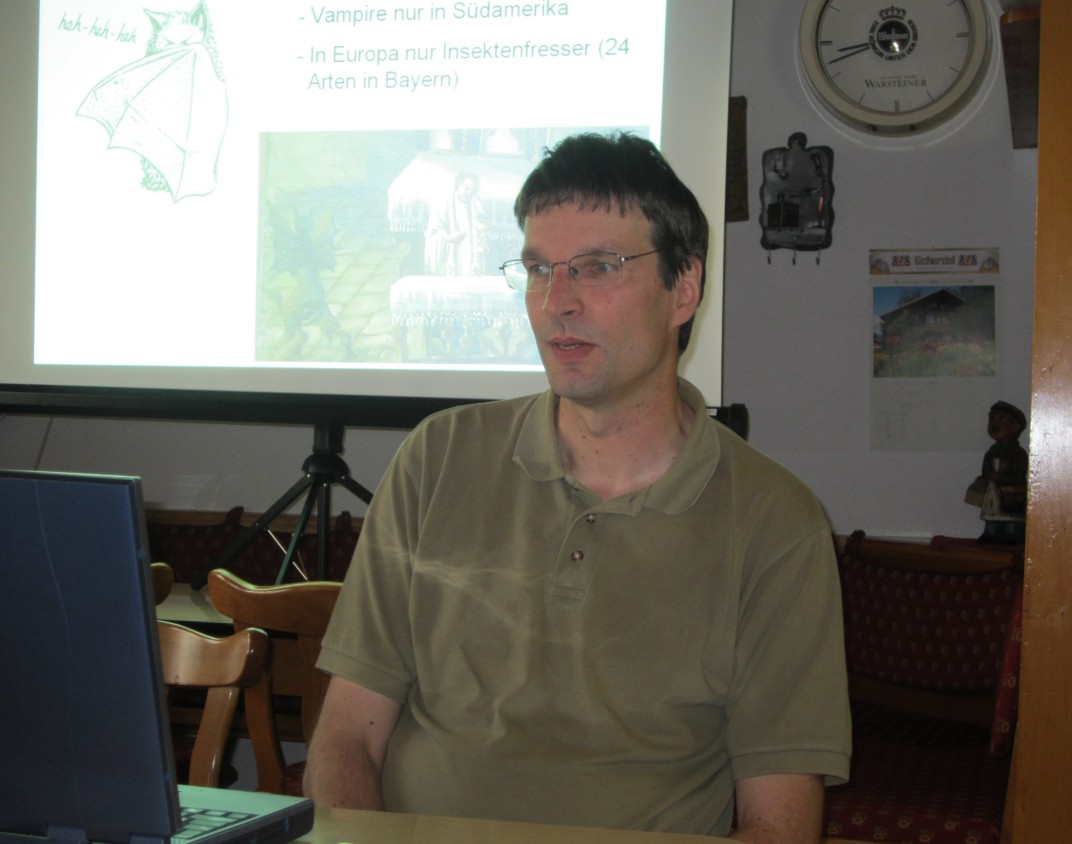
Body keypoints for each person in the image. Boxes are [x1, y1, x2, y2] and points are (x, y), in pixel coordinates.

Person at [305, 132, 851, 842]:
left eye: (597, 267)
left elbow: (779, 826)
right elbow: (348, 736)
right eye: (539, 269)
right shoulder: (438, 459)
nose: (556, 302)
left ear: (684, 289)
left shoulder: (776, 523)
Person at [967, 400, 1029, 544]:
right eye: (992, 419)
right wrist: (984, 479)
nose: (995, 423)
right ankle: (991, 532)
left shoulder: (1018, 453)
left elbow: (1020, 475)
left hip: (1011, 495)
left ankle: (1012, 534)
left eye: (1001, 419)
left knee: (1011, 519)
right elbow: (986, 471)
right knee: (992, 513)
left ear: (1014, 427)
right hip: (994, 492)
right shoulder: (992, 451)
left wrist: (1002, 477)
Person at [424, 171, 487, 275]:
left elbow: (482, 232)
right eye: (466, 188)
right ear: (458, 185)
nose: (469, 193)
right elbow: (431, 236)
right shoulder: (443, 204)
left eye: (472, 190)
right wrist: (449, 238)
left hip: (471, 262)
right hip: (449, 260)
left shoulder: (476, 206)